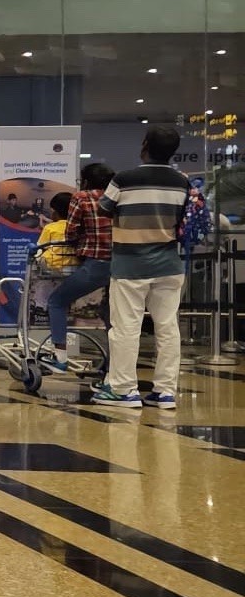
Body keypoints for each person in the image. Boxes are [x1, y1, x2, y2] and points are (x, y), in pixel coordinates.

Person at [92, 126, 191, 409]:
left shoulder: (124, 179)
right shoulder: (182, 182)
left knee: (125, 328)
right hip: (169, 264)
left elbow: (104, 208)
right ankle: (165, 391)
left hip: (130, 265)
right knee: (168, 327)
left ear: (145, 145)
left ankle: (123, 390)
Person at [46, 163, 115, 372]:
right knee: (111, 313)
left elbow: (71, 232)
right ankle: (115, 365)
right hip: (122, 264)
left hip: (96, 263)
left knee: (57, 301)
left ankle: (60, 357)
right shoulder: (118, 196)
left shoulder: (82, 197)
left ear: (85, 180)